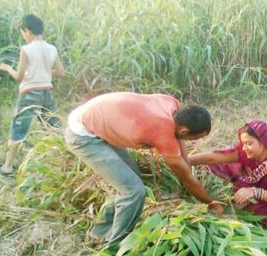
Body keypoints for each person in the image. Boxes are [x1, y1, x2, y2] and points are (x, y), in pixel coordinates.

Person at [64, 92, 225, 246]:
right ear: (184, 131)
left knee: (130, 180)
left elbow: (181, 150)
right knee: (134, 191)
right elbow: (186, 178)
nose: (192, 141)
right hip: (83, 134)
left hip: (98, 119)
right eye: (194, 138)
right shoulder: (161, 130)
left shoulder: (173, 105)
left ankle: (99, 233)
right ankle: (114, 246)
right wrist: (210, 202)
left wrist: (187, 169)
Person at [189, 119, 267, 234]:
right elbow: (214, 158)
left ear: (263, 143)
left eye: (249, 143)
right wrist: (183, 161)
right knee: (230, 168)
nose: (244, 148)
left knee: (251, 208)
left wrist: (254, 192)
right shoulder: (251, 153)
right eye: (243, 143)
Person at [0, 14, 66, 176]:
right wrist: (42, 71)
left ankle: (7, 167)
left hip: (29, 93)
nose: (23, 35)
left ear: (27, 31)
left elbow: (19, 76)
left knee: (18, 127)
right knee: (53, 127)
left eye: (22, 32)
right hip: (47, 92)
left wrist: (6, 68)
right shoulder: (52, 48)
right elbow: (61, 72)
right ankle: (64, 162)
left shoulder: (26, 50)